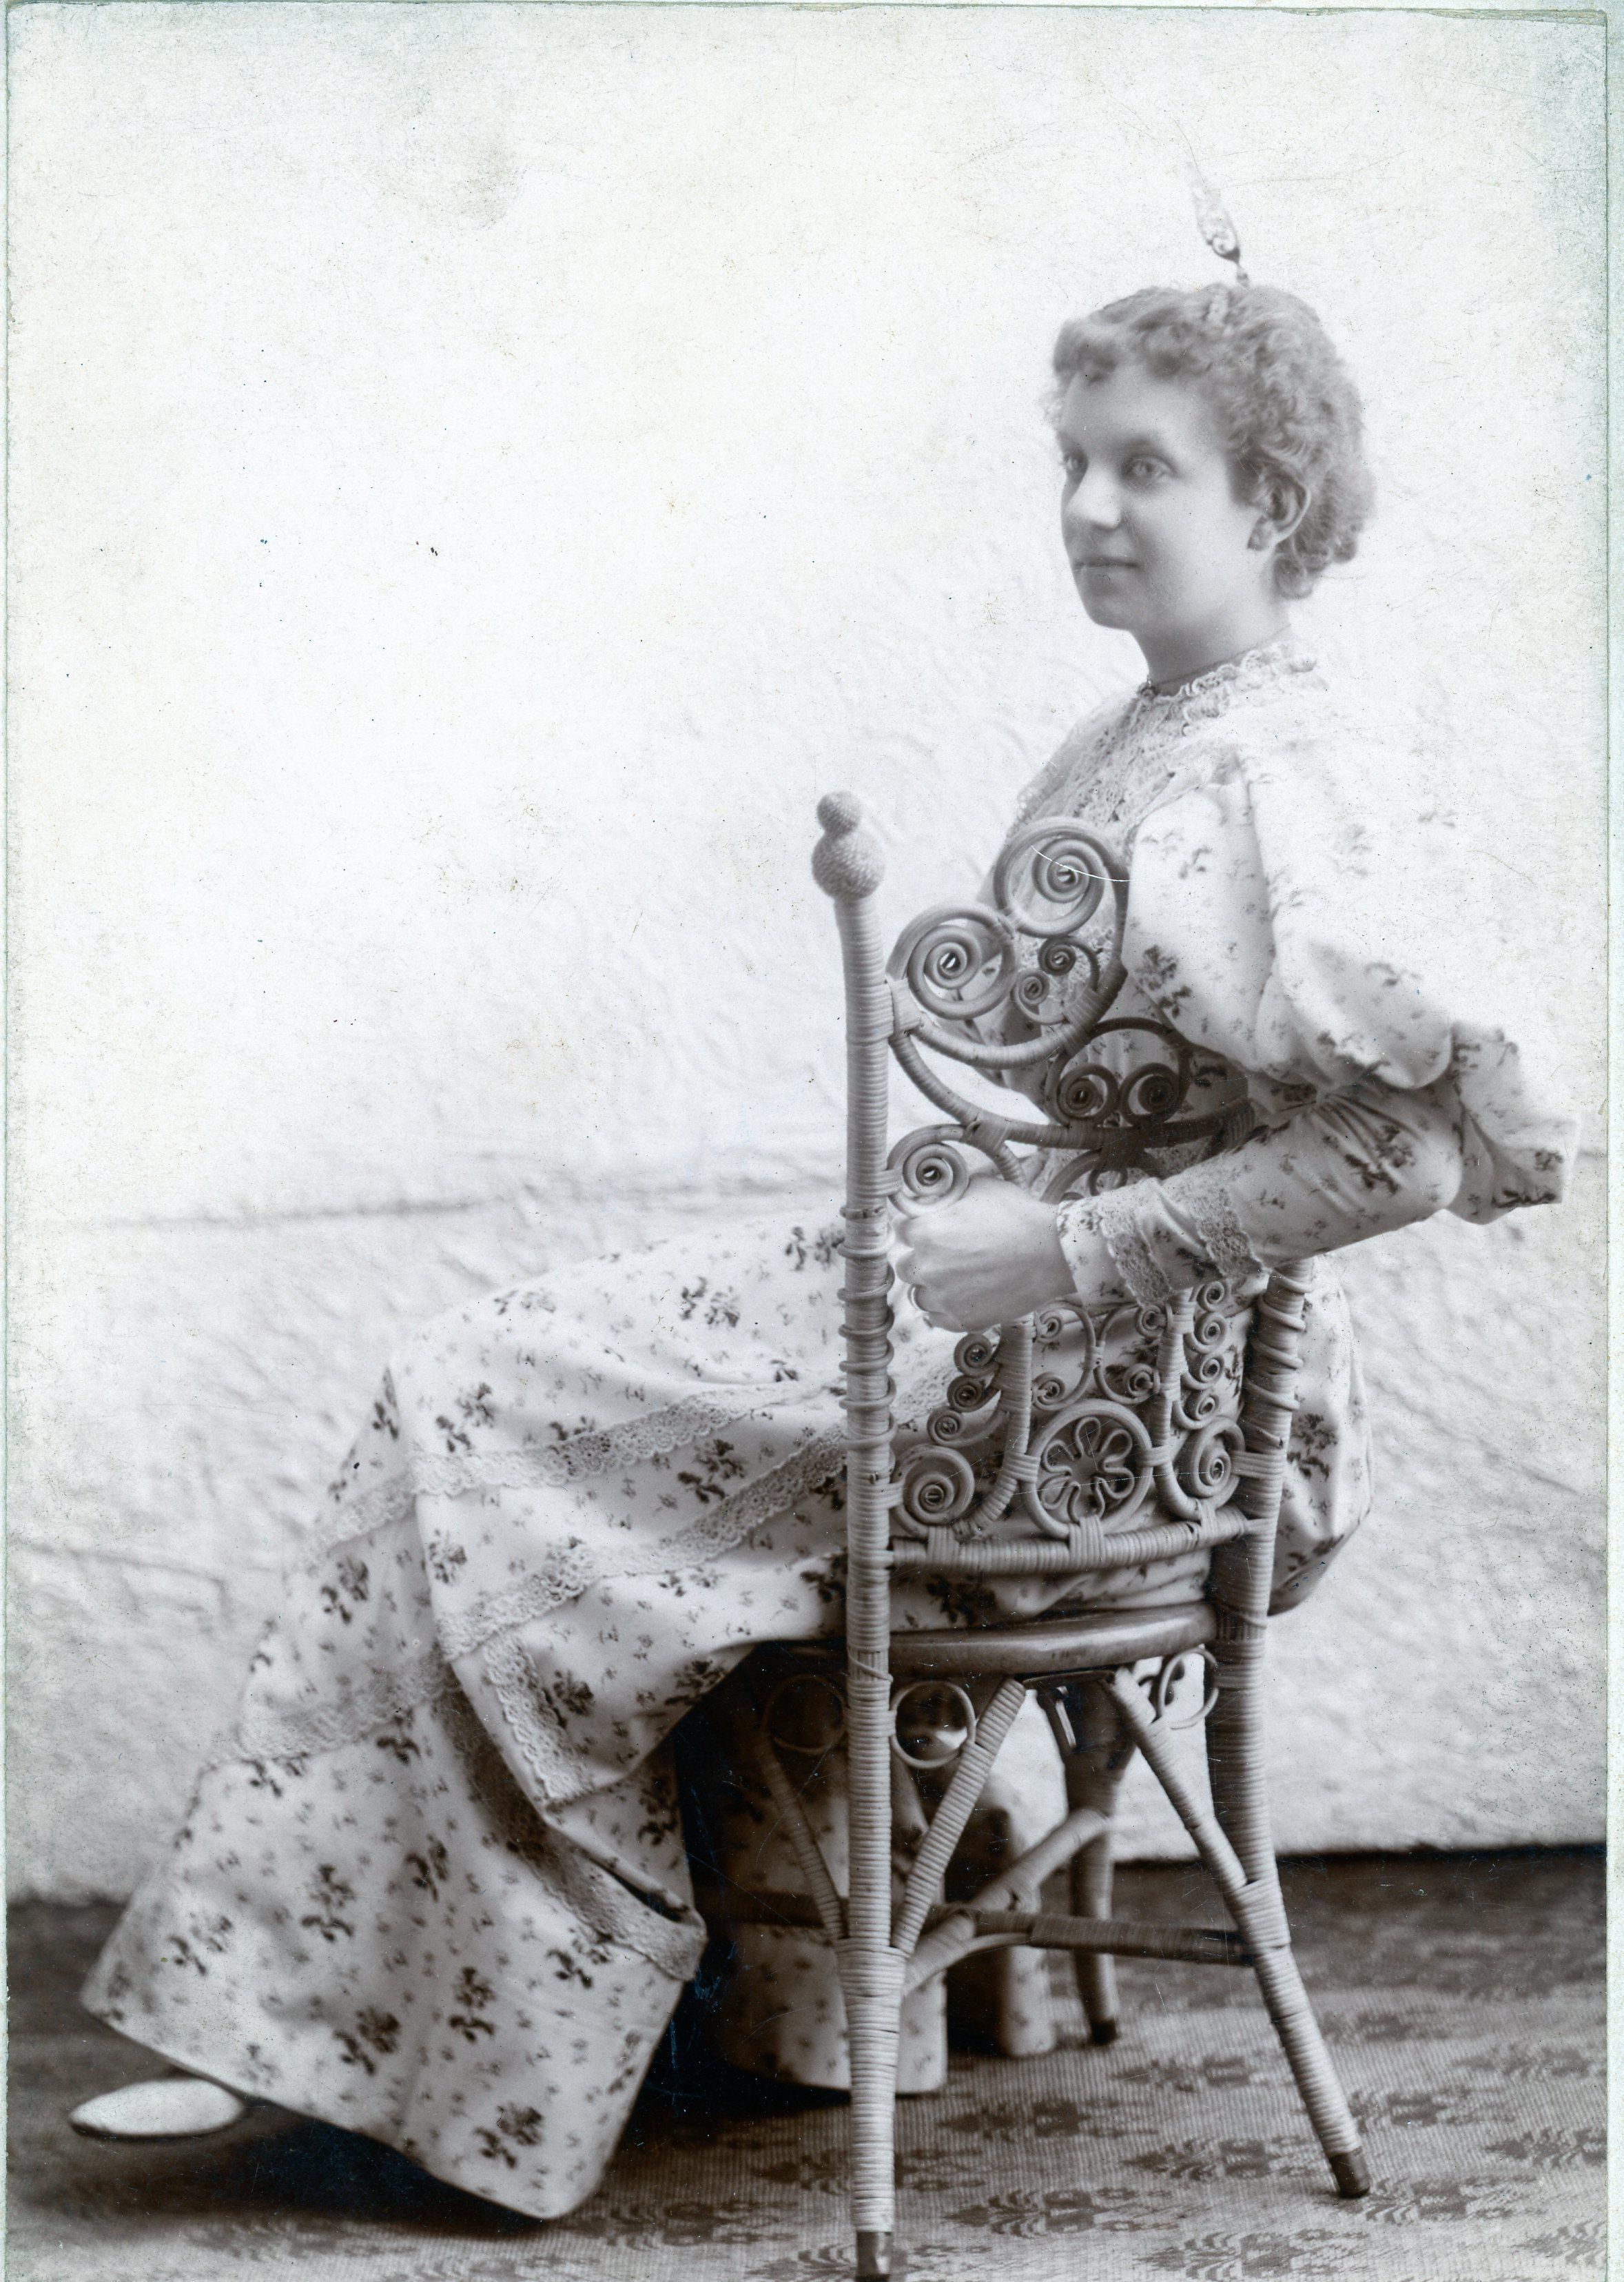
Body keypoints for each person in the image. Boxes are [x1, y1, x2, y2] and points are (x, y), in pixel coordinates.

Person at [71, 265, 1574, 2219]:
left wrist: (1066, 1261)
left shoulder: (1291, 771)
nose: (1089, 508)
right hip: (1017, 1356)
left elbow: (1407, 1151)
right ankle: (423, 2016)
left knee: (473, 1403)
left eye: (1146, 468)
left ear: (1272, 502)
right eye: (1073, 463)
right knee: (499, 1392)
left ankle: (414, 2040)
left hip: (1131, 1408)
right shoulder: (1140, 735)